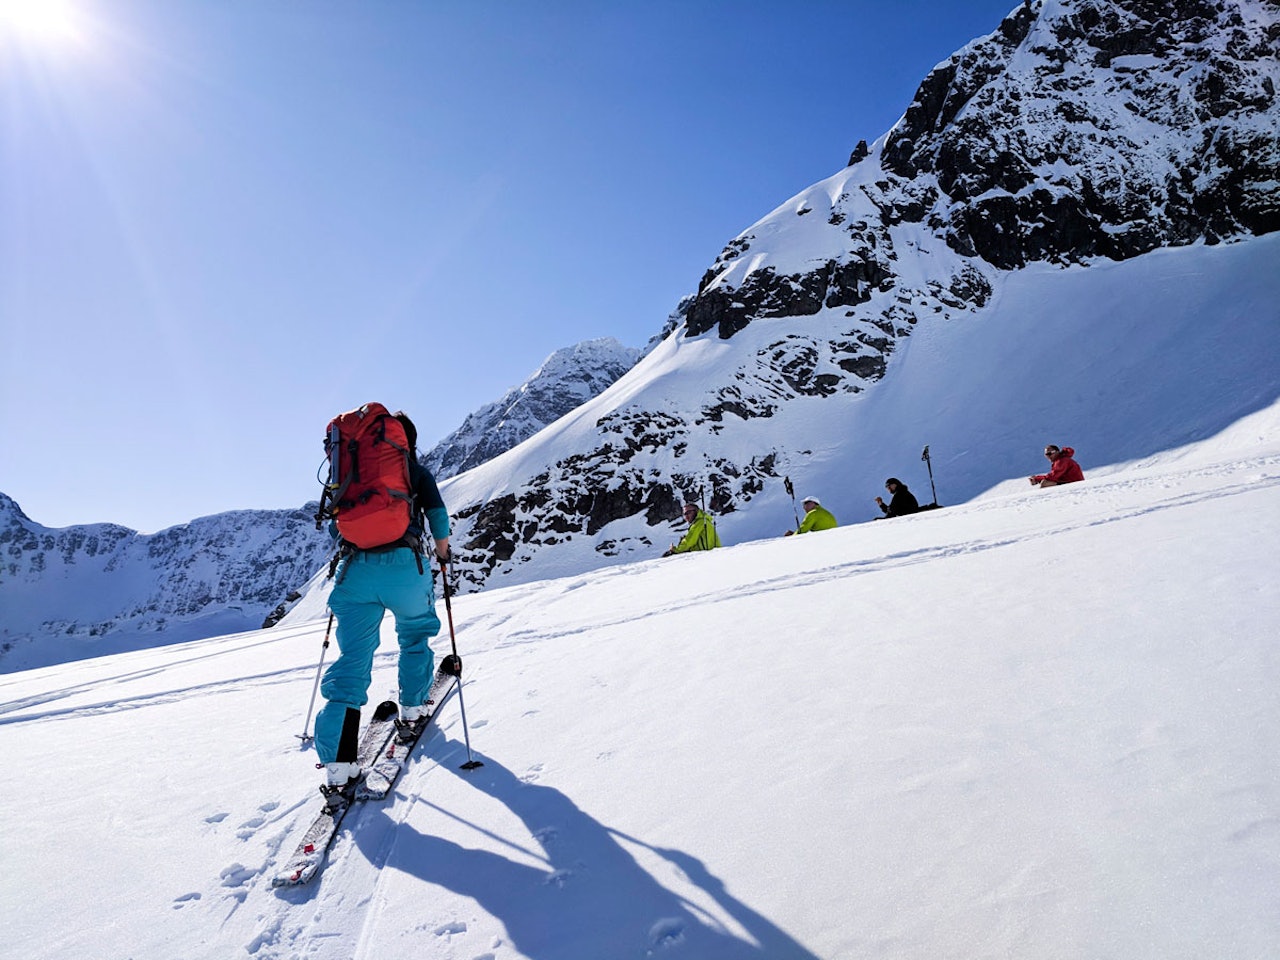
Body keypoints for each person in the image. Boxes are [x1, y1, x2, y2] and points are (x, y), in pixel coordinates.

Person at [314, 411, 451, 795]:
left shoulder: (350, 470)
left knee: (352, 660)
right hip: (404, 567)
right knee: (414, 634)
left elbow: (335, 523)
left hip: (356, 572)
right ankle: (412, 709)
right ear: (405, 442)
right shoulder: (413, 471)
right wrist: (442, 553)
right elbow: (437, 515)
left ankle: (339, 766)